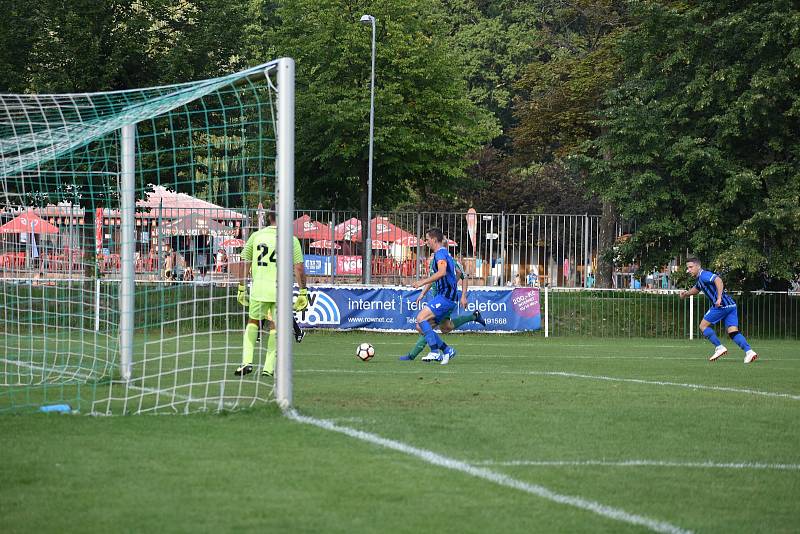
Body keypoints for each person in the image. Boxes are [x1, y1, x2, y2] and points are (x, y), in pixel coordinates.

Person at [235, 205, 309, 377]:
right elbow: (298, 268)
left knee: (253, 323)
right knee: (275, 327)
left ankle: (247, 362)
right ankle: (268, 368)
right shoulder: (292, 240)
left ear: (268, 218)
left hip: (259, 289)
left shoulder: (256, 236)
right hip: (280, 292)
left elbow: (244, 261)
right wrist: (303, 292)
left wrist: (241, 286)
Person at [399, 252, 485, 362]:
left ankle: (416, 354)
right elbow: (432, 279)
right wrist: (422, 294)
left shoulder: (450, 262)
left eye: (432, 254)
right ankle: (473, 316)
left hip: (445, 300)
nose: (430, 257)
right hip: (438, 300)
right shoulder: (434, 264)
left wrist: (463, 295)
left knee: (423, 325)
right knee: (446, 327)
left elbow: (463, 275)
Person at [680, 257, 758, 363]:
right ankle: (749, 352)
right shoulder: (700, 280)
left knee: (703, 326)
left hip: (721, 306)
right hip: (731, 305)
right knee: (733, 332)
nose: (688, 270)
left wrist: (719, 298)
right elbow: (696, 289)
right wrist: (686, 294)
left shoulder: (704, 275)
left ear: (698, 266)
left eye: (690, 267)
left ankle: (719, 347)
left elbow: (718, 280)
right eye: (688, 268)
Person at [405, 228, 460, 365]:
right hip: (446, 295)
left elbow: (441, 272)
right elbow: (457, 272)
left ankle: (435, 352)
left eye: (427, 239)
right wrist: (424, 292)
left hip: (446, 296)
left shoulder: (440, 254)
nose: (426, 242)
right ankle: (447, 350)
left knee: (420, 318)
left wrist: (422, 282)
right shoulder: (444, 253)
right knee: (420, 326)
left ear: (434, 240)